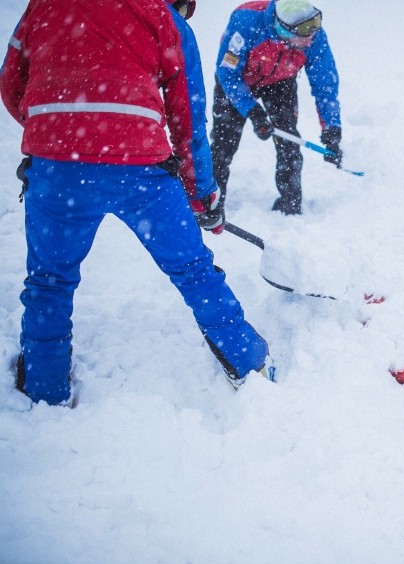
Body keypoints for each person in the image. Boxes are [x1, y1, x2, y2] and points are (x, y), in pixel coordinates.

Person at [1, 0, 271, 406]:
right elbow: (188, 117)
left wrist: (61, 130)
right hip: (139, 168)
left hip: (58, 169)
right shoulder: (163, 16)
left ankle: (44, 388)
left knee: (49, 282)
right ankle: (250, 363)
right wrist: (201, 198)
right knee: (194, 269)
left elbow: (11, 83)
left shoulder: (42, 4)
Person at [211, 0, 342, 215]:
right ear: (284, 30)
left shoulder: (313, 35)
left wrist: (332, 128)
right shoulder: (245, 21)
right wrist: (252, 111)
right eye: (303, 34)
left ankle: (290, 205)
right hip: (238, 82)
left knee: (288, 140)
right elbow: (227, 72)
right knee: (222, 145)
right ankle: (210, 204)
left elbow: (325, 84)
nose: (310, 38)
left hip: (280, 82)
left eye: (313, 28)